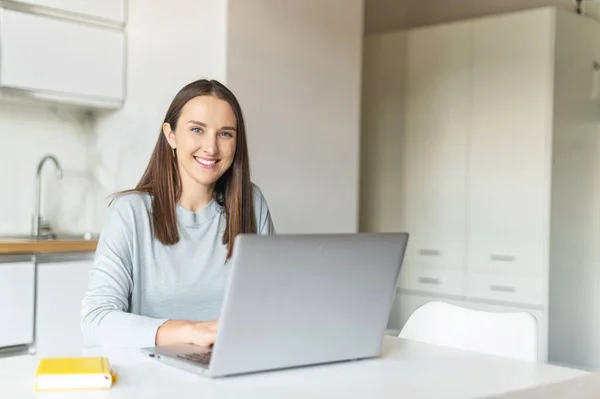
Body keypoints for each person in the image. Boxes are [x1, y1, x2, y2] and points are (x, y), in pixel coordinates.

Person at [81, 79, 275, 349]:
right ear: (170, 135)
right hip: (153, 375)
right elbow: (96, 322)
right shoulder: (130, 212)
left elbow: (270, 306)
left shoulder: (251, 203)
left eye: (225, 133)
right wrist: (191, 332)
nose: (211, 147)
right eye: (197, 129)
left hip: (233, 370)